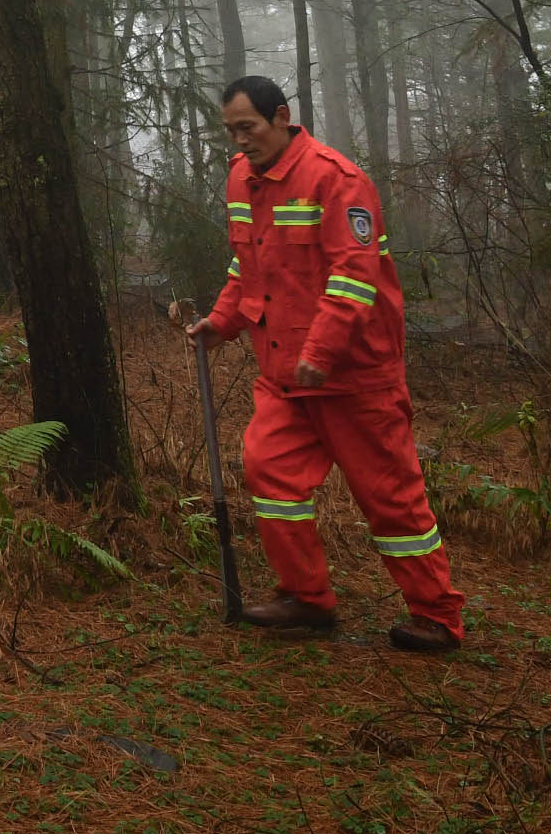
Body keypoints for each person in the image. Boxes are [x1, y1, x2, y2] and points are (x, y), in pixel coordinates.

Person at [168, 73, 465, 653]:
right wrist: (222, 323)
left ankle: (437, 616)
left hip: (354, 377)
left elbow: (356, 278)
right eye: (230, 131)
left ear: (282, 117)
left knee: (390, 496)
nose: (239, 141)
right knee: (269, 471)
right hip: (284, 376)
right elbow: (247, 267)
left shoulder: (337, 180)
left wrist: (322, 352)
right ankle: (305, 599)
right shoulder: (240, 180)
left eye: (247, 128)